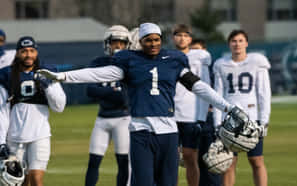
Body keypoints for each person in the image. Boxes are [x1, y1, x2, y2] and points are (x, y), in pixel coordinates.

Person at [37, 23, 245, 186]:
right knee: (142, 182)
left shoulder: (173, 61)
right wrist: (61, 76)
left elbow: (199, 87)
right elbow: (95, 74)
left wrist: (228, 107)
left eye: (156, 39)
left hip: (168, 132)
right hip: (140, 131)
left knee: (168, 183)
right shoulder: (129, 61)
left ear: (161, 40)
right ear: (140, 42)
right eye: (148, 40)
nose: (153, 43)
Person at [0, 36, 66, 186]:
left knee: (36, 179)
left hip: (40, 135)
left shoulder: (47, 72)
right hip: (15, 137)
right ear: (17, 53)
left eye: (31, 51)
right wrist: (1, 142)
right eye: (24, 51)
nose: (28, 55)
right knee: (17, 182)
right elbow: (1, 113)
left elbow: (60, 106)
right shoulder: (7, 75)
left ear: (36, 52)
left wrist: (48, 86)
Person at [213, 29, 271, 186]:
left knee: (256, 160)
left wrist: (264, 121)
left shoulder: (257, 61)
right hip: (229, 120)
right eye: (233, 41)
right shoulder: (221, 64)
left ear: (246, 43)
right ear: (229, 44)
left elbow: (264, 93)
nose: (237, 44)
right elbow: (217, 97)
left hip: (252, 117)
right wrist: (216, 123)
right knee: (229, 162)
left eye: (240, 40)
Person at [85, 25, 131, 186]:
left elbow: (125, 98)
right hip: (102, 118)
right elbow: (90, 90)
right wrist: (114, 93)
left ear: (128, 45)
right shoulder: (99, 63)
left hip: (123, 119)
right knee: (93, 161)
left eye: (122, 43)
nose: (118, 46)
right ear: (107, 44)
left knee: (123, 162)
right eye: (114, 42)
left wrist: (104, 91)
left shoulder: (131, 64)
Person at [172, 24, 213, 186]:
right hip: (169, 114)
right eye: (178, 35)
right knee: (170, 159)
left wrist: (202, 115)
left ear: (190, 38)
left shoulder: (200, 57)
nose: (182, 38)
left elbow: (205, 87)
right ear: (173, 37)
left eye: (185, 35)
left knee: (190, 156)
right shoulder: (165, 56)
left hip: (191, 114)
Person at [189, 37, 223, 186]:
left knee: (211, 163)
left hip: (209, 120)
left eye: (199, 50)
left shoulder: (212, 70)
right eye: (193, 50)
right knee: (194, 162)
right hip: (190, 119)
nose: (196, 54)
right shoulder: (186, 71)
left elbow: (219, 92)